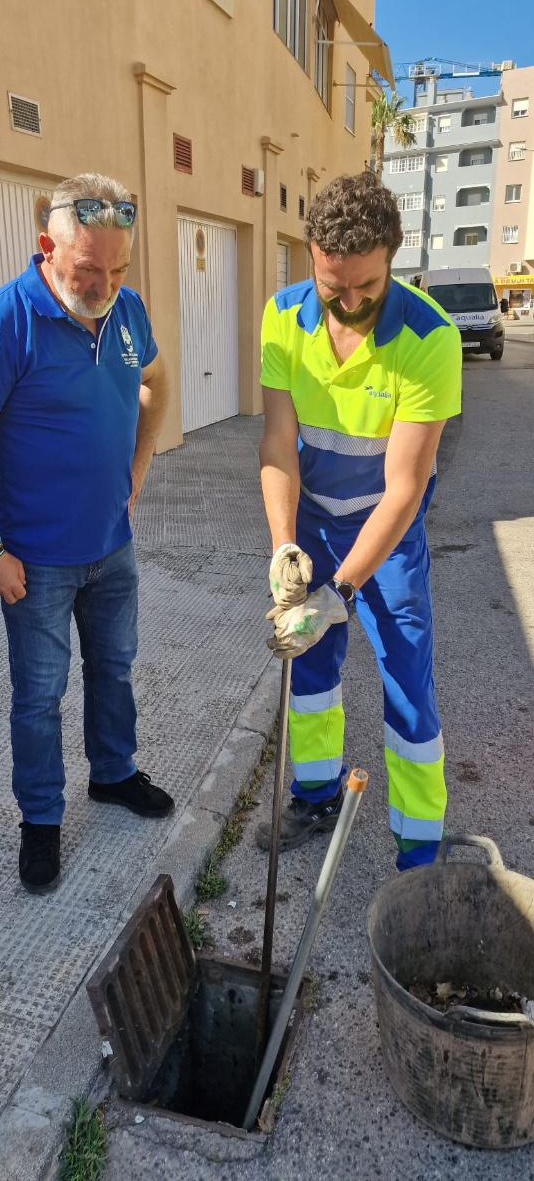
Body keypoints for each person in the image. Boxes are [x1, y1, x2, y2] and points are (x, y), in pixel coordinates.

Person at [0, 173, 173, 894]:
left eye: (119, 269)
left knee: (115, 668)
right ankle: (40, 818)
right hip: (34, 562)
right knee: (39, 697)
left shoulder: (128, 311)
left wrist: (138, 468)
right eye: (88, 270)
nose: (105, 286)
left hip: (112, 546)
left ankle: (113, 773)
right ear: (47, 246)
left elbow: (156, 385)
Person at [257, 171, 462, 871]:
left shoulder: (430, 336)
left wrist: (339, 593)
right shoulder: (283, 316)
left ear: (392, 260)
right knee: (310, 664)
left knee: (407, 680)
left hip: (387, 536)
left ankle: (418, 850)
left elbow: (403, 489)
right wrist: (285, 546)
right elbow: (277, 444)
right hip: (312, 522)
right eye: (331, 286)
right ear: (311, 257)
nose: (348, 305)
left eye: (366, 287)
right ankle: (315, 794)